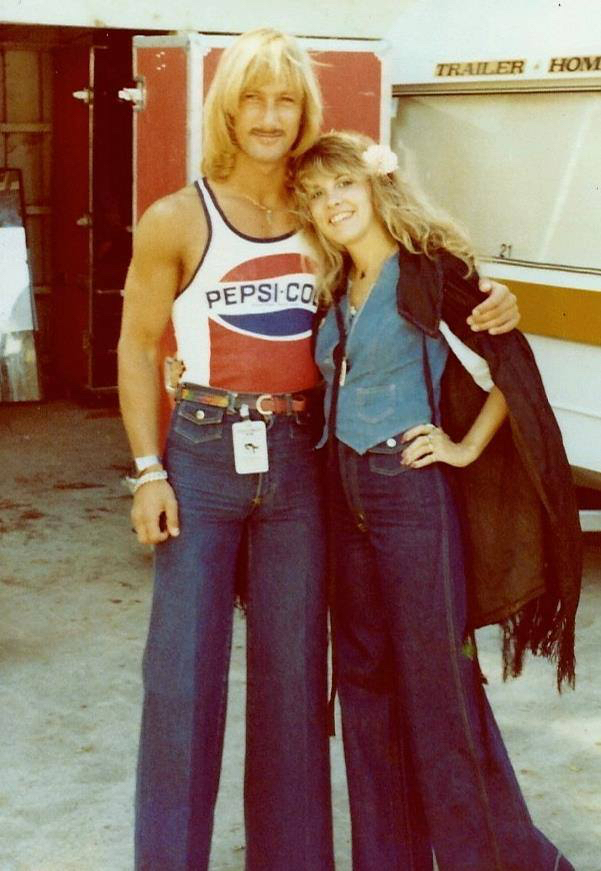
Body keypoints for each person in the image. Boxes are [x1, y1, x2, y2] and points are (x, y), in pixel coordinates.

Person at [117, 28, 522, 871]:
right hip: (202, 453)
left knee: (295, 680)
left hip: (303, 458)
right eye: (252, 99)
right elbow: (137, 344)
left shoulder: (319, 217)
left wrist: (492, 296)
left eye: (285, 100)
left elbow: (406, 258)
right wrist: (148, 469)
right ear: (226, 111)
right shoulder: (177, 217)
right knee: (181, 680)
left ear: (304, 112)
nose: (269, 117)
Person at [293, 131, 581, 871]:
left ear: (375, 185)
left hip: (409, 494)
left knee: (438, 684)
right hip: (343, 501)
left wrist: (465, 446)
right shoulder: (334, 287)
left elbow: (509, 368)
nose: (332, 203)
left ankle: (504, 860)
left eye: (343, 184)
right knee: (362, 682)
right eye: (317, 195)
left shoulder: (428, 271)